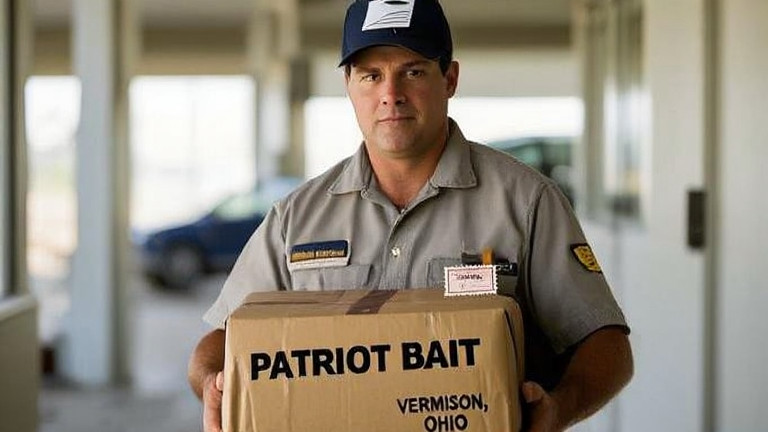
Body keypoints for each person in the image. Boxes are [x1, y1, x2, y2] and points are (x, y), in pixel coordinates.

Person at [188, 1, 633, 431]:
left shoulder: (526, 201)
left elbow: (607, 346)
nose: (391, 95)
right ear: (349, 85)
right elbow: (219, 344)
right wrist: (213, 385)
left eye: (412, 71)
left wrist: (559, 409)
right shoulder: (295, 218)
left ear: (450, 78)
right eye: (371, 75)